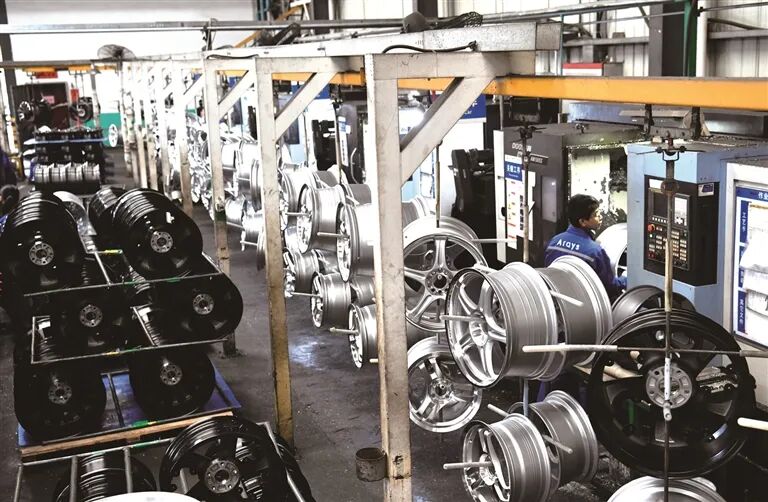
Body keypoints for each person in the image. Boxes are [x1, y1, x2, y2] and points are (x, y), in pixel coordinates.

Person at [544, 194, 627, 298]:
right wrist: (625, 278)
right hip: (585, 301)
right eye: (596, 215)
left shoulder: (554, 242)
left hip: (559, 297)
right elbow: (610, 287)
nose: (600, 217)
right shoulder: (594, 251)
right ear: (582, 221)